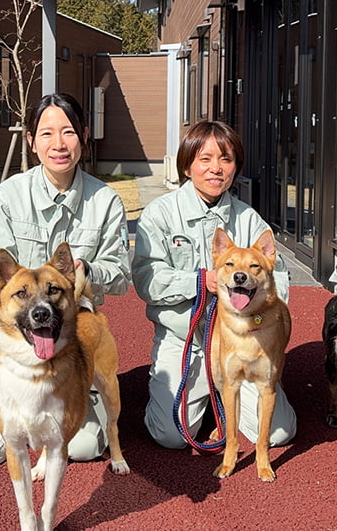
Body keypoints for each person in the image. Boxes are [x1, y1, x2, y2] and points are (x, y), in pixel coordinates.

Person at [0, 93, 131, 466]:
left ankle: (78, 404)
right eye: (46, 134)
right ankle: (5, 417)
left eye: (69, 132)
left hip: (76, 331)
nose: (58, 144)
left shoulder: (107, 202)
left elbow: (121, 276)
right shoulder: (6, 198)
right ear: (31, 139)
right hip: (23, 328)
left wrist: (86, 272)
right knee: (1, 346)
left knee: (85, 447)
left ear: (85, 136)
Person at [133, 120, 297, 449]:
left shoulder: (249, 219)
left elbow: (278, 280)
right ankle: (190, 395)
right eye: (205, 159)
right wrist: (199, 281)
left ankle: (225, 392)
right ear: (187, 164)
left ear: (236, 167)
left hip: (244, 341)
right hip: (186, 341)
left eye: (226, 159)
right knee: (171, 436)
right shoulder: (160, 214)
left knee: (279, 434)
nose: (216, 169)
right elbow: (145, 279)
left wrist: (257, 316)